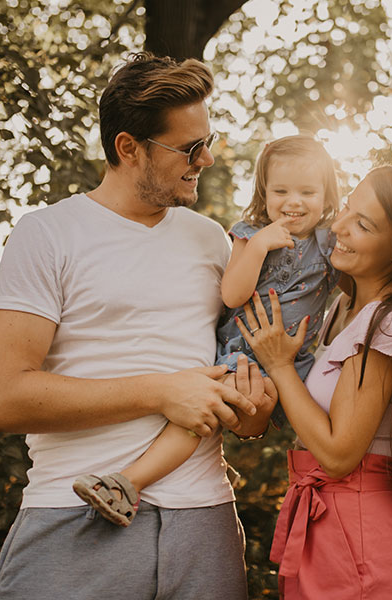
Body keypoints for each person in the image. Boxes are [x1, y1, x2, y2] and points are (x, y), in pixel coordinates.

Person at [0, 53, 274, 600]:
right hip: (75, 514)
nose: (206, 158)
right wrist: (162, 391)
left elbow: (240, 397)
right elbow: (2, 399)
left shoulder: (214, 240)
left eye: (208, 140)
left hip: (205, 521)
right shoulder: (47, 235)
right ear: (128, 148)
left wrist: (252, 412)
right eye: (189, 148)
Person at [72, 135, 342, 527]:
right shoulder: (248, 234)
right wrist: (260, 247)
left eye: (307, 191)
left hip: (291, 364)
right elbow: (232, 294)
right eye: (281, 190)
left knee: (295, 419)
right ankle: (127, 484)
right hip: (242, 353)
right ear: (264, 194)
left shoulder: (328, 245)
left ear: (326, 194)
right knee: (201, 415)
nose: (293, 202)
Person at [236, 165, 392, 599]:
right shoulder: (341, 309)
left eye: (362, 224)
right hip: (323, 525)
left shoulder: (389, 325)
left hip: (357, 542)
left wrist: (281, 366)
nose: (339, 226)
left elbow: (340, 454)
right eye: (346, 207)